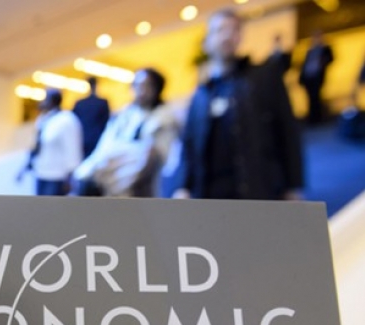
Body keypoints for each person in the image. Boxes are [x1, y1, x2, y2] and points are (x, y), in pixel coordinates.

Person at [174, 9, 304, 200]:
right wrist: (184, 187)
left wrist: (293, 185)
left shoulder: (263, 77)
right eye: (221, 30)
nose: (228, 35)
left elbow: (287, 130)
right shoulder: (201, 93)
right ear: (208, 40)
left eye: (234, 29)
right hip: (212, 194)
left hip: (258, 188)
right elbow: (190, 145)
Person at [72, 68, 179, 198]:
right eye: (137, 86)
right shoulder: (123, 115)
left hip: (145, 187)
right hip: (109, 182)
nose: (141, 91)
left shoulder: (165, 118)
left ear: (157, 89)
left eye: (147, 86)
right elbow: (104, 148)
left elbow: (160, 155)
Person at [17, 88, 83, 196]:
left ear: (53, 100)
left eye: (45, 98)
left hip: (57, 176)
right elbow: (37, 145)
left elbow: (72, 149)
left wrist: (70, 176)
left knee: (52, 206)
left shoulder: (66, 119)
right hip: (41, 172)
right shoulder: (43, 119)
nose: (42, 102)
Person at [299, 30, 334, 125]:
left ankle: (318, 117)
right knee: (310, 97)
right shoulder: (310, 51)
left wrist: (322, 63)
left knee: (316, 96)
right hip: (308, 77)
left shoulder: (325, 48)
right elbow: (304, 65)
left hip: (317, 76)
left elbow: (330, 59)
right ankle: (313, 118)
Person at [73, 77, 111, 160]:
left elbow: (74, 123)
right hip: (97, 140)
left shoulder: (80, 104)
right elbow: (106, 123)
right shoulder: (102, 103)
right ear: (96, 85)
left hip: (81, 139)